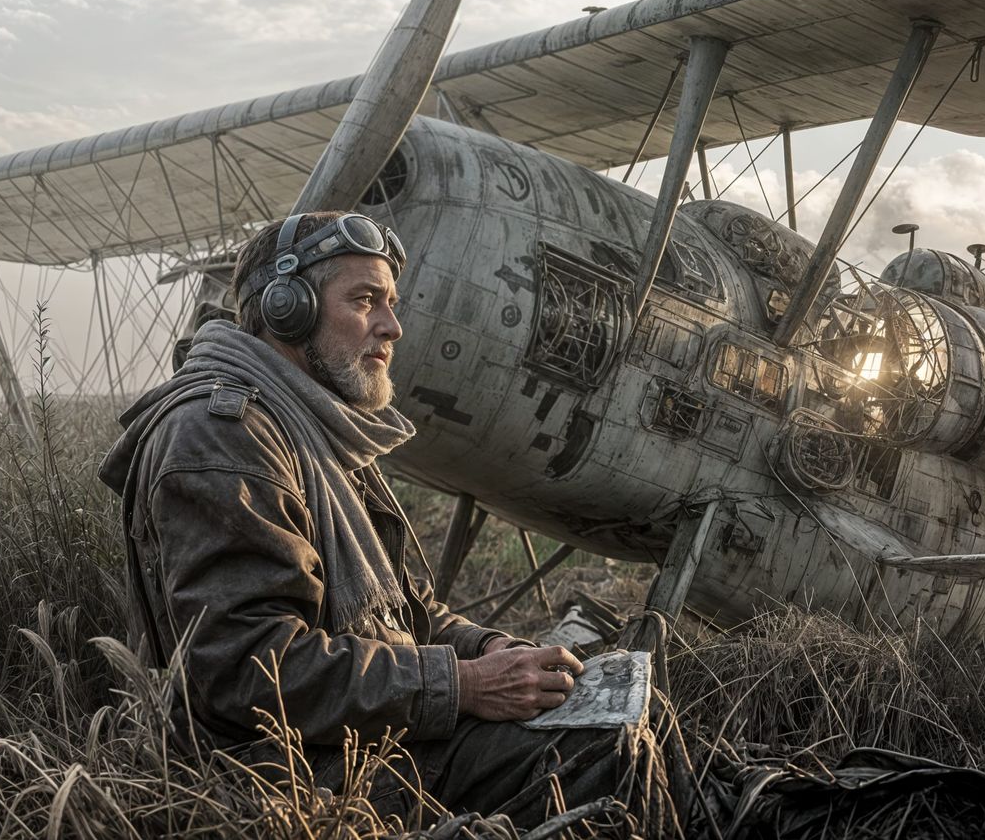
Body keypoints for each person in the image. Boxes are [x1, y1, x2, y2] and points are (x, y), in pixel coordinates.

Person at [98, 211, 645, 827]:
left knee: (627, 721)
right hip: (283, 772)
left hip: (358, 732)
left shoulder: (318, 426)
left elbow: (404, 615)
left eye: (391, 302)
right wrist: (464, 686)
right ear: (288, 310)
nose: (393, 327)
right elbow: (251, 673)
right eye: (365, 301)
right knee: (601, 754)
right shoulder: (222, 437)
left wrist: (495, 650)